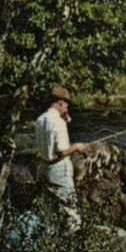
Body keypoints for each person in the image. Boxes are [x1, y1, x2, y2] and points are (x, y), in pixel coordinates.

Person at [34, 86, 88, 229]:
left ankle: (49, 244)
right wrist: (77, 147)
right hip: (58, 170)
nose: (67, 106)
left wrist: (65, 120)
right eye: (67, 103)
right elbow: (62, 151)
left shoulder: (40, 119)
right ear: (60, 102)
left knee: (49, 212)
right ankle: (69, 244)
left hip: (42, 168)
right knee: (70, 213)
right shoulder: (58, 122)